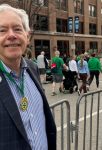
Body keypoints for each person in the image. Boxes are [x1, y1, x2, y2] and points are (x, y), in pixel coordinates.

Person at [0, 4, 56, 150]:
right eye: (2, 30)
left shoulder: (32, 68)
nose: (11, 35)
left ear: (27, 36)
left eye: (18, 29)